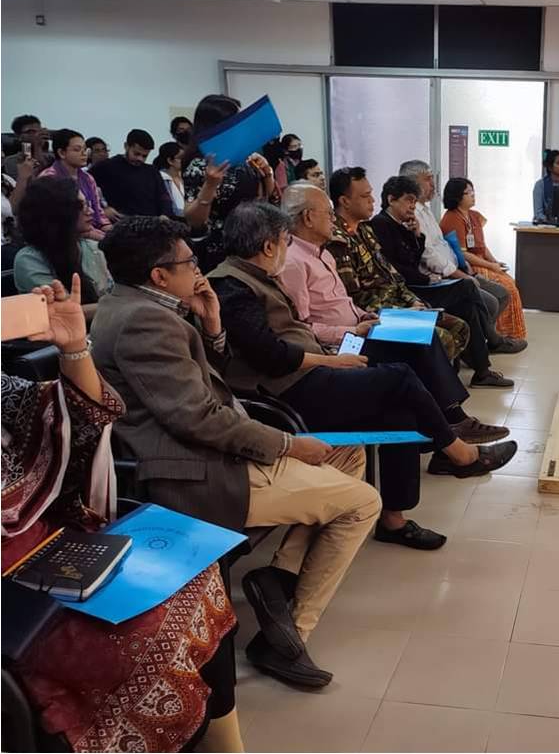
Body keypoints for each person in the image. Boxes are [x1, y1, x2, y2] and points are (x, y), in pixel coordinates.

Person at [91, 216, 381, 688]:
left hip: (215, 445)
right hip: (197, 470)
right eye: (189, 262)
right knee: (363, 502)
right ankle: (288, 635)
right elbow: (198, 418)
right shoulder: (144, 322)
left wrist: (212, 327)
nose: (198, 270)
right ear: (159, 275)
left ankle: (278, 580)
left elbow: (207, 381)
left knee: (348, 454)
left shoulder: (141, 304)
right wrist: (287, 445)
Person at [2, 274, 243, 753]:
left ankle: (225, 744)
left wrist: (74, 347)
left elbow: (84, 418)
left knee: (196, 577)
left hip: (45, 543)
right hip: (14, 594)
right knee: (143, 639)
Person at [277, 182, 508, 444]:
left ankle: (452, 422)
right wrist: (352, 329)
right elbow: (302, 327)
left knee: (423, 332)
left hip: (361, 324)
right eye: (328, 214)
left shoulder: (322, 253)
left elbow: (345, 302)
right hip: (341, 343)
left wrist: (363, 316)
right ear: (308, 217)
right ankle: (452, 424)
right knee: (418, 344)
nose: (333, 219)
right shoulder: (294, 262)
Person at [370, 176, 516, 387]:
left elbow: (413, 257)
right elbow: (398, 268)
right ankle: (491, 345)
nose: (412, 206)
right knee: (467, 287)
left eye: (414, 201)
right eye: (408, 200)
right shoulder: (381, 224)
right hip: (411, 289)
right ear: (391, 200)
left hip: (422, 283)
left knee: (468, 306)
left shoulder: (404, 224)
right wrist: (428, 278)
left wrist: (417, 235)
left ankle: (482, 371)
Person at [326, 166, 471, 363]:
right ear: (345, 201)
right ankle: (424, 376)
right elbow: (355, 297)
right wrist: (400, 312)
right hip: (376, 314)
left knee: (460, 327)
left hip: (398, 303)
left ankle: (432, 373)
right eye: (365, 196)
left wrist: (413, 302)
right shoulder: (337, 240)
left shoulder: (365, 231)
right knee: (440, 338)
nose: (372, 200)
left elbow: (392, 275)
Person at [399, 159, 523, 352]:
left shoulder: (429, 212)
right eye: (428, 179)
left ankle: (482, 340)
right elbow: (429, 256)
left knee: (503, 292)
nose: (433, 184)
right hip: (441, 277)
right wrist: (462, 272)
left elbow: (448, 246)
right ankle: (487, 344)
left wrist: (468, 265)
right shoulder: (415, 216)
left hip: (459, 268)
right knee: (490, 301)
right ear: (412, 182)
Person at [182, 94, 278, 272]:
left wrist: (267, 174)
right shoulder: (199, 165)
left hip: (253, 241)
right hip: (222, 252)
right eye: (235, 121)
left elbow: (263, 200)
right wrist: (210, 185)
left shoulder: (245, 157)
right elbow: (194, 221)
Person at [441, 177, 528, 340]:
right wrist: (489, 265)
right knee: (506, 286)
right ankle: (497, 334)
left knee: (510, 282)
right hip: (468, 265)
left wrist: (494, 262)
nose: (473, 195)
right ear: (457, 196)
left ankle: (504, 332)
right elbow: (463, 254)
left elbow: (482, 246)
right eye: (468, 192)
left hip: (481, 260)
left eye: (473, 191)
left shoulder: (474, 216)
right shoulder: (452, 218)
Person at [14, 178, 111, 319]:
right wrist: (119, 306)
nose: (90, 212)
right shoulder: (29, 260)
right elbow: (64, 312)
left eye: (88, 205)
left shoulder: (92, 247)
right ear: (58, 213)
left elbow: (113, 292)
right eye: (81, 206)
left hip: (104, 325)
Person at [37, 128, 113, 238]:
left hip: (91, 231)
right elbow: (50, 221)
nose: (84, 154)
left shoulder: (88, 178)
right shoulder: (48, 178)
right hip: (63, 236)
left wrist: (112, 231)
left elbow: (99, 215)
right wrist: (91, 234)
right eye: (77, 150)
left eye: (85, 149)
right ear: (62, 153)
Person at [90, 128, 174, 219]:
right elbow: (85, 189)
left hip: (152, 222)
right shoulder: (106, 167)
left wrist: (165, 214)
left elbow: (163, 197)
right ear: (126, 146)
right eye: (136, 154)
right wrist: (102, 209)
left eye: (144, 156)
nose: (140, 159)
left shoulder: (152, 171)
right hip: (122, 223)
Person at [2, 114, 53, 178]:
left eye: (39, 131)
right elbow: (31, 181)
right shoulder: (11, 161)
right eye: (30, 132)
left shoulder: (51, 157)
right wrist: (37, 146)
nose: (36, 134)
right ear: (18, 136)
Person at [532, 148, 559, 223]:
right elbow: (538, 213)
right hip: (545, 226)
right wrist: (551, 221)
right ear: (550, 167)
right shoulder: (540, 185)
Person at [153, 141, 186, 217]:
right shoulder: (160, 179)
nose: (185, 160)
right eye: (181, 158)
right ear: (170, 161)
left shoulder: (186, 178)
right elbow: (169, 208)